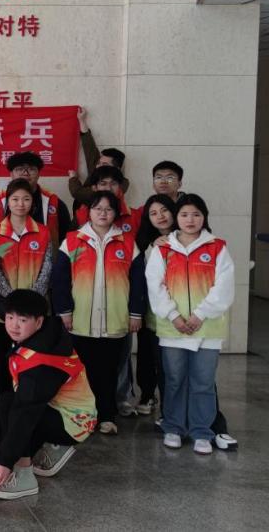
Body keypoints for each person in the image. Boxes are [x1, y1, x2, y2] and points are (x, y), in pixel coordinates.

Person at [0, 266, 96, 501]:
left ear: (38, 321)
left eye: (22, 320)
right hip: (54, 406)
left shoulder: (41, 365)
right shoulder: (41, 327)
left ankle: (24, 476)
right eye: (10, 318)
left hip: (73, 421)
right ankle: (51, 446)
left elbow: (24, 412)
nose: (13, 325)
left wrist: (5, 461)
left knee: (11, 409)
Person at [145, 195, 234, 454]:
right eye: (184, 214)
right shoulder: (163, 249)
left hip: (207, 328)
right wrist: (173, 316)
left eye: (196, 214)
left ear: (204, 217)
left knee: (203, 382)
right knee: (174, 380)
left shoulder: (217, 247)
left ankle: (201, 431)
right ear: (177, 218)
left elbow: (224, 286)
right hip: (172, 328)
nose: (190, 220)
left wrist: (200, 315)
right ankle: (173, 427)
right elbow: (155, 286)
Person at [53, 191, 145, 436]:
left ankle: (106, 416)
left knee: (109, 371)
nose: (103, 213)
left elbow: (138, 283)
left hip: (115, 319)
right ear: (88, 212)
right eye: (98, 208)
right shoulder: (72, 240)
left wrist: (136, 314)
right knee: (82, 372)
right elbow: (60, 281)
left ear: (116, 213)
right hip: (81, 320)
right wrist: (64, 311)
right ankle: (84, 417)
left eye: (108, 209)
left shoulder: (128, 242)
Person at [0, 178, 54, 395]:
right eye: (15, 199)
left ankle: (28, 391)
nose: (20, 204)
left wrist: (32, 300)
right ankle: (2, 390)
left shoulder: (43, 232)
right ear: (7, 202)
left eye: (26, 199)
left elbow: (47, 266)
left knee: (33, 352)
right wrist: (11, 301)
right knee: (2, 351)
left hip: (34, 307)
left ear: (32, 202)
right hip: (4, 308)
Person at [132, 194, 177, 418]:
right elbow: (141, 276)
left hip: (179, 313)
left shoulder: (186, 237)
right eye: (153, 213)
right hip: (151, 312)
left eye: (164, 210)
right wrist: (152, 247)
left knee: (171, 364)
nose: (160, 216)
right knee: (147, 357)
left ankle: (172, 410)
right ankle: (148, 394)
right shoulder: (143, 242)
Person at [0, 152, 72, 250]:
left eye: (31, 169)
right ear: (11, 174)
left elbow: (66, 241)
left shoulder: (55, 204)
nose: (25, 173)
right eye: (19, 169)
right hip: (4, 258)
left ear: (39, 174)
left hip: (45, 258)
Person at [68, 107, 130, 206]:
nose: (98, 166)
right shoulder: (97, 169)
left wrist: (73, 178)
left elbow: (77, 192)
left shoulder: (122, 184)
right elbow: (90, 148)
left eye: (104, 164)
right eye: (99, 163)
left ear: (116, 168)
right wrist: (82, 120)